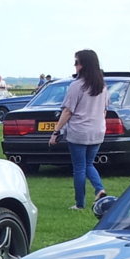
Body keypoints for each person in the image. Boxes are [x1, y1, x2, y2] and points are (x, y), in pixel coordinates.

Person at [49, 49, 108, 209]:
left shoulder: (76, 86)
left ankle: (80, 203)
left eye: (76, 62)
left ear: (83, 65)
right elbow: (104, 110)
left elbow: (68, 111)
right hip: (97, 130)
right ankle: (99, 189)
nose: (75, 66)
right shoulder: (102, 86)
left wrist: (56, 132)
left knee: (80, 167)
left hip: (79, 131)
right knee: (89, 164)